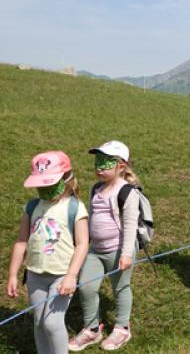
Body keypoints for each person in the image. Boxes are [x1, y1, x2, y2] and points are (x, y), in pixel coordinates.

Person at [7, 151, 89, 354]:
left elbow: (82, 244)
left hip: (61, 276)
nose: (43, 189)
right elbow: (21, 241)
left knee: (52, 323)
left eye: (49, 184)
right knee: (39, 323)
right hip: (35, 276)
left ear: (66, 179)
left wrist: (71, 275)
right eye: (40, 184)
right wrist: (12, 274)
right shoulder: (32, 207)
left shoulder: (75, 208)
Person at [69, 141, 140, 351]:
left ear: (121, 166)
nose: (99, 167)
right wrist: (84, 243)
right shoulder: (95, 189)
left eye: (106, 162)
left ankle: (122, 328)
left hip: (119, 250)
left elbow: (130, 225)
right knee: (87, 286)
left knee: (121, 288)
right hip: (96, 250)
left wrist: (126, 254)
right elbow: (92, 217)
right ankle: (92, 329)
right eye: (97, 161)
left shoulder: (127, 192)